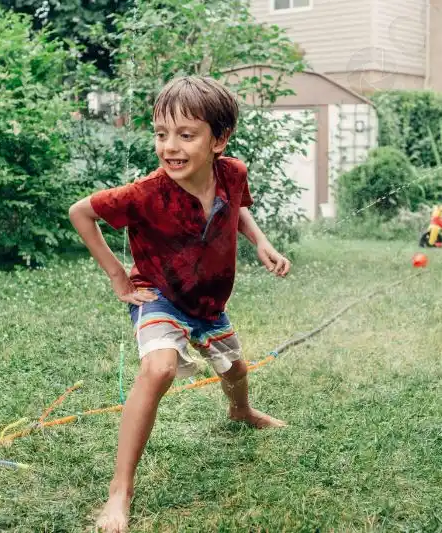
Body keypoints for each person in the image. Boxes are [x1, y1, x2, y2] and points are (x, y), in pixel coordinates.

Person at [68, 76, 291, 533]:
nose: (170, 146)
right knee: (160, 369)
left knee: (235, 370)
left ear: (219, 139)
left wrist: (261, 242)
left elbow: (238, 208)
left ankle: (240, 411)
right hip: (159, 293)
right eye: (160, 133)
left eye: (186, 135)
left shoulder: (233, 172)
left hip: (208, 300)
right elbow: (80, 212)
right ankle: (119, 492)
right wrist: (117, 275)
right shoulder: (146, 193)